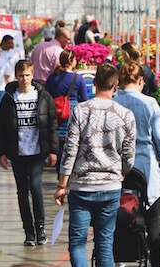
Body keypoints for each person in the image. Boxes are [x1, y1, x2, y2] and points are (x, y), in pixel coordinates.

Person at [54, 63, 136, 267]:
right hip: (111, 186)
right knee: (105, 245)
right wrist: (122, 173)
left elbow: (70, 150)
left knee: (77, 243)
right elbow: (129, 155)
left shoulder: (80, 111)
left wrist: (62, 185)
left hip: (82, 187)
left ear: (95, 83)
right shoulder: (125, 115)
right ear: (116, 84)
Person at [113, 62, 160, 267]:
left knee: (120, 212)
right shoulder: (150, 104)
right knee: (153, 220)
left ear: (120, 81)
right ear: (141, 81)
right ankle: (155, 263)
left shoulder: (113, 102)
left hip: (119, 166)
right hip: (146, 165)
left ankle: (118, 257)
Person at [0, 60, 59, 247]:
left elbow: (51, 124)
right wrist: (2, 153)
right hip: (17, 152)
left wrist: (53, 150)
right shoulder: (8, 98)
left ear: (33, 75)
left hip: (37, 151)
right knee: (22, 191)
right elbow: (2, 127)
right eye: (21, 75)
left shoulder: (43, 96)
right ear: (16, 76)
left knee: (36, 187)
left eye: (27, 75)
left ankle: (40, 228)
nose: (24, 79)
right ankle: (29, 231)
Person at [44, 49, 89, 173]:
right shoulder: (78, 79)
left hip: (56, 113)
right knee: (72, 144)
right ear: (71, 61)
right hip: (72, 112)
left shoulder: (52, 77)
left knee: (58, 145)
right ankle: (69, 173)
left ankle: (60, 173)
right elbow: (84, 100)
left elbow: (46, 96)